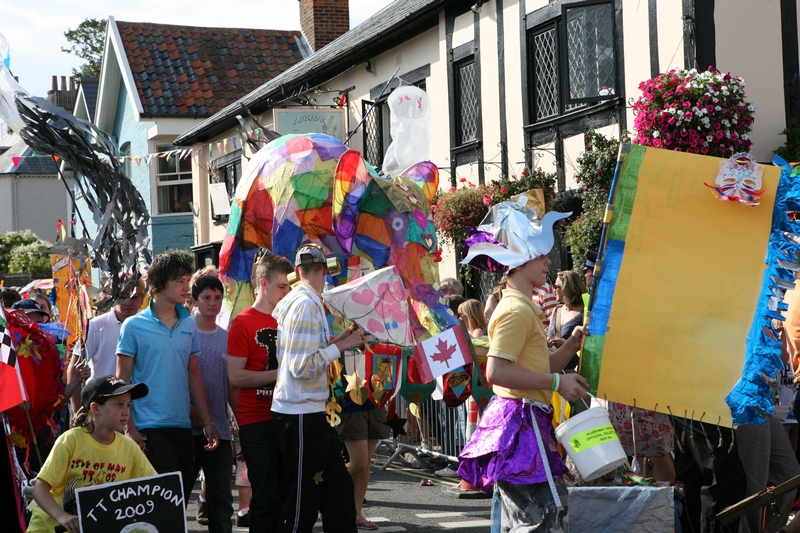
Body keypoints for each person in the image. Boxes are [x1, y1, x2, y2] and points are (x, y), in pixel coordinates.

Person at [458, 200, 586, 531]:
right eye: (541, 255)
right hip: (520, 424)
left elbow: (539, 366)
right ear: (519, 260)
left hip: (525, 422)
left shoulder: (522, 306)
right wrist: (557, 383)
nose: (548, 261)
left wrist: (571, 346)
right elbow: (497, 372)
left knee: (537, 518)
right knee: (541, 520)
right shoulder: (515, 309)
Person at [272, 244, 364, 532]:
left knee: (339, 495)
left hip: (310, 412)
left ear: (297, 271)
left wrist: (340, 341)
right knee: (303, 501)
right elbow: (301, 366)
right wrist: (342, 347)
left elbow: (305, 356)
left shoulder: (304, 299)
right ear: (325, 270)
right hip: (300, 413)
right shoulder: (305, 304)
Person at [116, 252, 220, 501]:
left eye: (187, 280)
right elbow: (121, 381)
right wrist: (129, 428)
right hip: (148, 427)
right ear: (159, 283)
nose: (187, 288)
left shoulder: (189, 324)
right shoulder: (133, 326)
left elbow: (193, 374)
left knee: (178, 503)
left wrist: (208, 422)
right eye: (179, 281)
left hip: (183, 427)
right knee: (162, 503)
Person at [28, 375, 155, 533]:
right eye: (119, 404)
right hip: (48, 529)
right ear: (95, 408)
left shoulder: (130, 448)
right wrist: (62, 516)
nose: (126, 412)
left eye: (128, 405)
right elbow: (39, 489)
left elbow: (154, 489)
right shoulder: (70, 440)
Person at [227, 252, 293, 532]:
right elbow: (235, 376)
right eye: (282, 286)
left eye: (290, 286)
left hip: (288, 416)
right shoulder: (243, 322)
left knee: (288, 495)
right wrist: (281, 374)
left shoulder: (289, 319)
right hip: (256, 419)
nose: (287, 292)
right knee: (266, 496)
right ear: (263, 284)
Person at [186, 275, 234, 533]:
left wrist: (239, 423)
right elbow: (176, 375)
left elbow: (231, 384)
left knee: (221, 501)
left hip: (220, 428)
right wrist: (191, 408)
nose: (213, 303)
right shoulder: (183, 332)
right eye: (206, 297)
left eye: (217, 297)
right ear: (194, 300)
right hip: (186, 427)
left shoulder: (227, 337)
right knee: (177, 496)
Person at [68, 281, 145, 414]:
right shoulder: (96, 326)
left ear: (143, 298)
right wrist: (77, 412)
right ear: (112, 297)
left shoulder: (150, 325)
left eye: (134, 297)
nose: (128, 302)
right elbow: (74, 367)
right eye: (122, 297)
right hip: (104, 409)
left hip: (142, 407)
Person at [547, 270, 586, 371]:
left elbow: (591, 346)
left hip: (576, 370)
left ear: (567, 288)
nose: (554, 290)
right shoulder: (557, 309)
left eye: (556, 286)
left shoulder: (585, 312)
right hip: (556, 369)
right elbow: (549, 337)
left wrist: (566, 345)